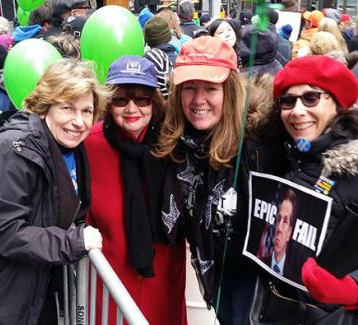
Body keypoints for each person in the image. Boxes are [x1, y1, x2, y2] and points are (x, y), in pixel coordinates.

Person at [153, 36, 284, 325]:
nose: (199, 100)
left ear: (230, 90)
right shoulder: (175, 140)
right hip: (214, 273)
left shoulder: (258, 142)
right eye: (190, 88)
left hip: (255, 281)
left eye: (210, 88)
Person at [0, 58, 107, 325]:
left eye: (86, 111)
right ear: (45, 107)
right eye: (67, 108)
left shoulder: (71, 147)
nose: (78, 121)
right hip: (5, 295)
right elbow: (5, 231)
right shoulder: (13, 148)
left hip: (39, 287)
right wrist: (72, 243)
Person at [85, 55, 187, 325]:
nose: (132, 108)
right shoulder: (89, 145)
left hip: (163, 271)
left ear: (154, 102)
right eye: (121, 100)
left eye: (142, 99)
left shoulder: (174, 142)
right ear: (109, 104)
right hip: (112, 274)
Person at [269, 55, 358, 316]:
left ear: (337, 105)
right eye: (288, 101)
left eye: (311, 98)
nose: (297, 111)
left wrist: (352, 288)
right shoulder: (285, 155)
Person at [261, 188, 297, 277]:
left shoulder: (293, 277)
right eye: (278, 219)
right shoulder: (260, 262)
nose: (279, 228)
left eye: (285, 221)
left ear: (290, 232)